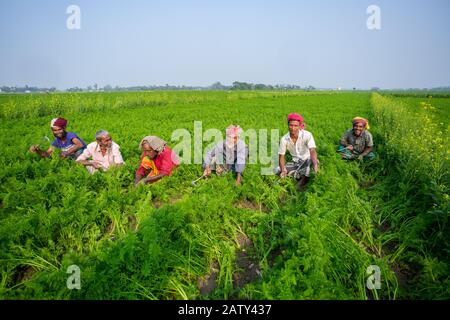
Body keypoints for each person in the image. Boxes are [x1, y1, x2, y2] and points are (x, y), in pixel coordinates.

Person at [276, 113, 319, 190]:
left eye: (295, 126)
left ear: (299, 126)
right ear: (288, 125)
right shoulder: (284, 139)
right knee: (278, 170)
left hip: (307, 160)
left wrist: (315, 164)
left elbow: (312, 150)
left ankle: (302, 180)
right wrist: (283, 170)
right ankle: (297, 174)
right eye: (291, 125)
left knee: (311, 164)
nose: (293, 128)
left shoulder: (307, 135)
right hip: (295, 162)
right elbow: (281, 156)